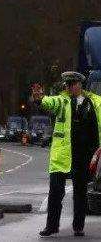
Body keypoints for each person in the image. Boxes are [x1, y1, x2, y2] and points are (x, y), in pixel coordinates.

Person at [34, 72, 101, 238]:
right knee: (55, 192)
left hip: (83, 154)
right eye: (67, 84)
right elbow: (50, 102)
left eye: (72, 84)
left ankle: (78, 226)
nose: (69, 87)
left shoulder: (94, 101)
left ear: (80, 84)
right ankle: (52, 226)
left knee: (80, 193)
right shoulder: (62, 101)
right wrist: (40, 99)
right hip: (62, 155)